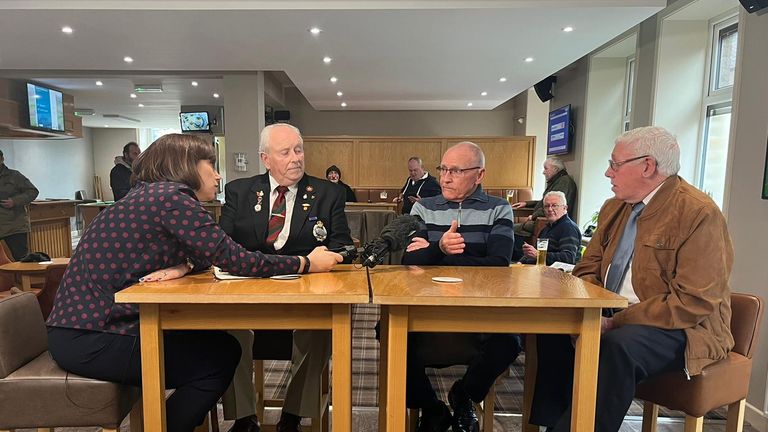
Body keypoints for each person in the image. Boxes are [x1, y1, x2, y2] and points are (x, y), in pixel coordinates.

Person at [45, 134, 343, 432]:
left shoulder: (149, 196)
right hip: (94, 335)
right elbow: (232, 258)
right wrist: (305, 263)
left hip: (81, 330)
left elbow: (207, 252)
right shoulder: (172, 199)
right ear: (186, 166)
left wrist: (184, 265)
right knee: (219, 358)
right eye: (210, 165)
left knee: (219, 346)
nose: (217, 175)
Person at [529, 126, 734, 432]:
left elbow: (694, 302)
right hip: (612, 312)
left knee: (617, 344)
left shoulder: (699, 213)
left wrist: (616, 320)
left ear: (647, 166)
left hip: (682, 328)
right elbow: (587, 268)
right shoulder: (615, 208)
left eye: (615, 164)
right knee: (552, 329)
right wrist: (589, 313)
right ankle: (555, 425)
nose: (608, 173)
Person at [220, 123, 353, 432]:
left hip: (304, 295)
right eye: (285, 152)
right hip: (247, 292)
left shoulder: (328, 193)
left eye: (299, 150)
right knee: (225, 329)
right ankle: (244, 418)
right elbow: (222, 246)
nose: (296, 158)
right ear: (266, 159)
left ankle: (292, 415)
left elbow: (343, 245)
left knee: (319, 329)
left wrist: (334, 256)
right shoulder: (239, 192)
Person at [402, 142, 521, 432]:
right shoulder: (423, 207)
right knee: (389, 334)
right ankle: (432, 409)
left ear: (479, 175)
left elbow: (500, 263)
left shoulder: (498, 208)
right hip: (428, 311)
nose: (445, 177)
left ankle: (464, 395)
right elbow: (408, 258)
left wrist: (434, 252)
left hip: (481, 313)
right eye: (443, 169)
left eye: (456, 170)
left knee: (510, 342)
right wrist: (442, 246)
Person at [512, 156, 577, 238]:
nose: (543, 172)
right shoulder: (558, 181)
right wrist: (527, 203)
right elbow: (545, 202)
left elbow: (553, 206)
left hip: (546, 223)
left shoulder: (563, 182)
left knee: (506, 229)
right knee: (506, 228)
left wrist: (533, 216)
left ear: (555, 169)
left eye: (546, 169)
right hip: (542, 221)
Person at [518, 191, 581, 265]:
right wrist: (520, 262)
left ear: (565, 208)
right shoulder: (547, 228)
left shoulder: (569, 228)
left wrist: (539, 255)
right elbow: (535, 252)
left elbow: (569, 258)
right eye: (547, 206)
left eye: (554, 205)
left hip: (556, 274)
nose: (550, 209)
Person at [0, 149, 39, 260]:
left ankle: (24, 278)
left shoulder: (14, 176)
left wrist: (15, 201)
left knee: (21, 259)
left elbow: (33, 191)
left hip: (14, 225)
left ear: (2, 159)